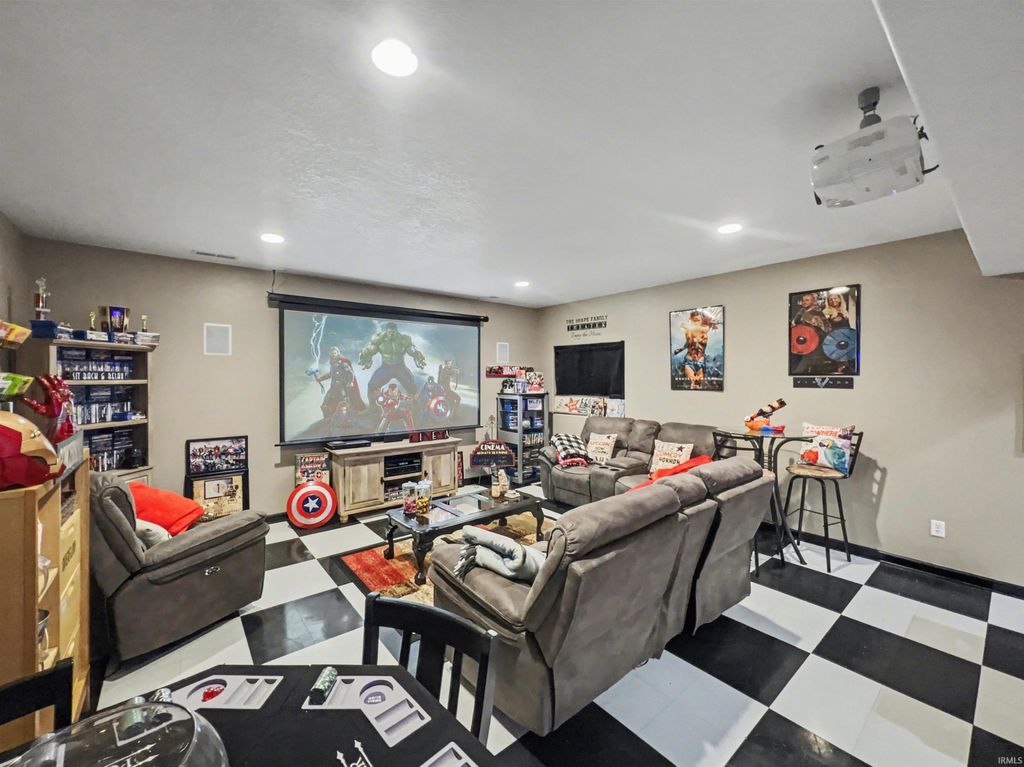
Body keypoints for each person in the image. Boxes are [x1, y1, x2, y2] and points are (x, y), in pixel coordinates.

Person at [359, 322, 427, 404]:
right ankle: (373, 407)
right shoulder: (379, 339)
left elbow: (413, 350)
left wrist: (419, 358)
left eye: (393, 332)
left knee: (411, 386)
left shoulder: (403, 339)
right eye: (390, 332)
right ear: (386, 331)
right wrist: (365, 358)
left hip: (400, 367)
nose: (392, 333)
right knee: (372, 385)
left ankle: (415, 407)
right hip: (386, 367)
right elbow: (369, 350)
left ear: (396, 331)